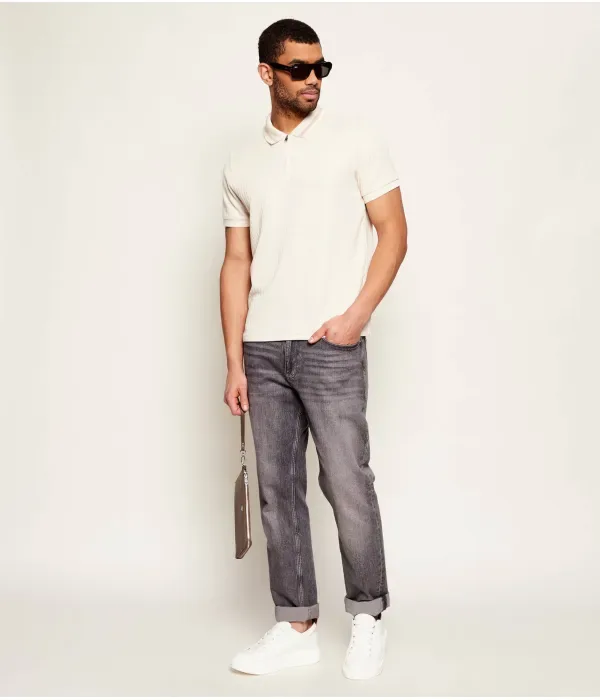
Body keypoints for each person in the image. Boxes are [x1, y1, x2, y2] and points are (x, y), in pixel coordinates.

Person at [220, 18, 408, 680]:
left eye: (320, 68)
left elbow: (393, 232)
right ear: (267, 73)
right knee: (278, 491)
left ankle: (368, 617)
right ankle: (295, 624)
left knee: (347, 482)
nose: (312, 80)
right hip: (263, 349)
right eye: (298, 69)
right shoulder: (241, 161)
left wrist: (356, 316)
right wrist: (235, 358)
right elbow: (236, 262)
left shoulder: (356, 140)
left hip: (331, 344)